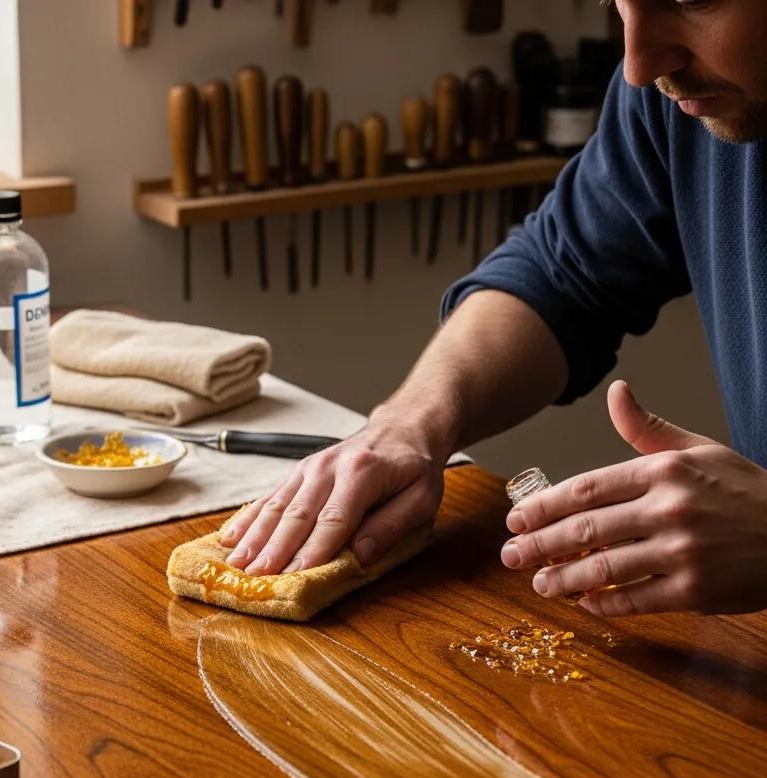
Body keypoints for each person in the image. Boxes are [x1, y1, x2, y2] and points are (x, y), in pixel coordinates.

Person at [221, 0, 767, 618]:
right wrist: (412, 424)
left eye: (692, 0)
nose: (638, 65)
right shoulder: (676, 97)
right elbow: (561, 275)